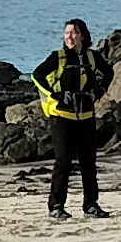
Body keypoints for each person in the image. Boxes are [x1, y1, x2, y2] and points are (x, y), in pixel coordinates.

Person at [32, 19, 108, 219]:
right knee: (63, 162)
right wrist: (54, 95)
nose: (69, 37)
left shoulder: (92, 57)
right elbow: (37, 75)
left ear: (83, 36)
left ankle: (91, 205)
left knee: (88, 163)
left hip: (86, 117)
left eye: (74, 33)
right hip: (61, 117)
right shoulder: (58, 57)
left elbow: (109, 73)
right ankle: (56, 206)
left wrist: (98, 91)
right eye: (67, 33)